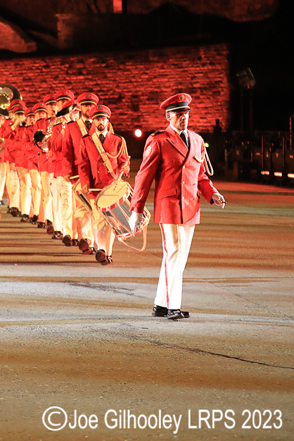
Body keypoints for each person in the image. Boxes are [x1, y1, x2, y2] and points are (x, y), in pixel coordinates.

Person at [129, 93, 225, 320]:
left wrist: (213, 194)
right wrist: (136, 209)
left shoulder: (198, 141)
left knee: (179, 256)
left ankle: (161, 305)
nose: (184, 118)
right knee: (174, 252)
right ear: (168, 116)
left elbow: (200, 176)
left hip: (191, 206)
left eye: (186, 113)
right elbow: (143, 177)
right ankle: (174, 306)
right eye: (179, 114)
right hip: (169, 205)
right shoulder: (158, 140)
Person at [77, 105, 130, 265]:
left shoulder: (118, 140)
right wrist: (85, 182)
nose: (101, 121)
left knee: (112, 222)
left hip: (112, 187)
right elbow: (83, 164)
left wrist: (125, 169)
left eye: (103, 119)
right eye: (98, 119)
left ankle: (107, 251)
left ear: (108, 121)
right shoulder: (86, 140)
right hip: (95, 187)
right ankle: (102, 250)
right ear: (92, 121)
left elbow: (123, 162)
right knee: (99, 219)